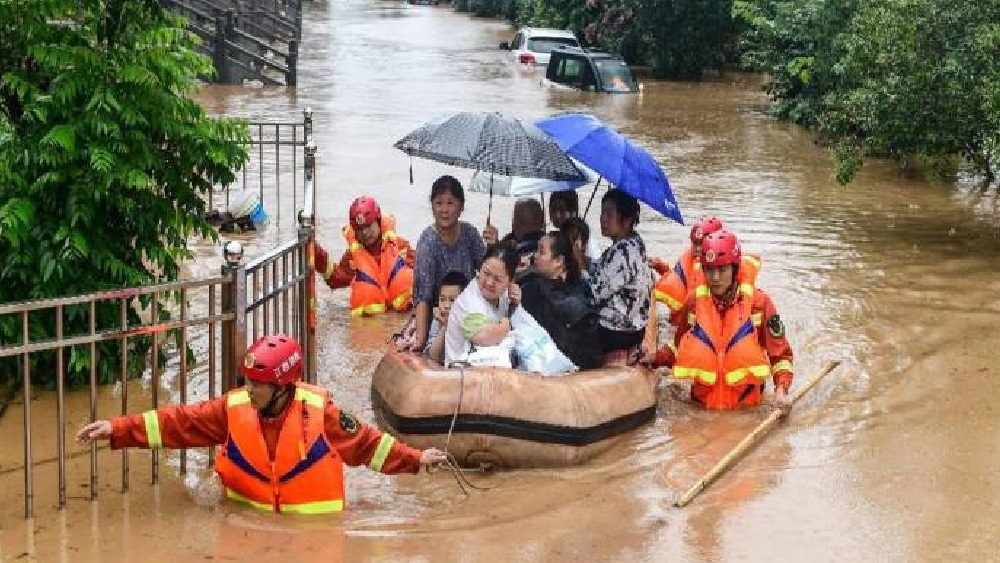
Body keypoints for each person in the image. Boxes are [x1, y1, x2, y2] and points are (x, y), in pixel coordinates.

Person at [74, 335, 447, 514]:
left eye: (257, 383)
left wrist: (415, 459)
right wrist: (118, 428)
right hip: (244, 522)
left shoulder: (322, 413)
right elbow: (180, 423)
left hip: (314, 539)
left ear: (283, 386)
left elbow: (367, 444)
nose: (249, 389)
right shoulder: (233, 409)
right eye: (249, 380)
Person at [666, 231, 794, 412]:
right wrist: (654, 358)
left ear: (735, 269)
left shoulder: (759, 304)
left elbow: (780, 356)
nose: (715, 277)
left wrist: (781, 391)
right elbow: (678, 346)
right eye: (709, 270)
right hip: (701, 409)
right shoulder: (693, 303)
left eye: (722, 269)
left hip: (746, 410)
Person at [403, 175, 487, 353]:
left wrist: (494, 245)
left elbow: (488, 272)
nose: (444, 210)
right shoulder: (428, 242)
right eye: (438, 203)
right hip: (438, 313)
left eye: (450, 203)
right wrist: (420, 340)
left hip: (467, 310)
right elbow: (423, 295)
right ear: (432, 206)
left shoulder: (470, 234)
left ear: (461, 206)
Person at [649, 215, 760, 325]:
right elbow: (681, 282)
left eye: (700, 244)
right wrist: (661, 267)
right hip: (686, 320)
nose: (697, 249)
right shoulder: (689, 261)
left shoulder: (734, 270)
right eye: (694, 243)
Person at [314, 196, 415, 317]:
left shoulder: (400, 246)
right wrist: (316, 252)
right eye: (359, 229)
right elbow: (335, 279)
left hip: (403, 317)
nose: (365, 233)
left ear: (378, 221)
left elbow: (424, 275)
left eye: (368, 226)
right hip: (374, 323)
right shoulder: (352, 257)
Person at [519, 230, 604, 369]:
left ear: (558, 261)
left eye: (541, 252)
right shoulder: (582, 289)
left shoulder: (532, 290)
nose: (535, 256)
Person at [589, 189, 653, 365]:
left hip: (616, 332)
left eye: (609, 214)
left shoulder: (622, 251)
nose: (602, 219)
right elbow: (602, 270)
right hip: (634, 328)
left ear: (626, 221)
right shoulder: (635, 242)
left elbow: (593, 294)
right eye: (602, 213)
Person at [443, 243, 521, 367]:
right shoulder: (469, 301)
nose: (489, 282)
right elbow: (482, 337)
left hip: (488, 367)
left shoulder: (507, 293)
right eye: (486, 273)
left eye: (498, 279)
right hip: (460, 373)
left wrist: (515, 304)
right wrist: (506, 325)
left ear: (510, 281)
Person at [482, 197, 546, 274]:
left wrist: (493, 247)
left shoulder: (511, 251)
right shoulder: (549, 246)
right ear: (542, 222)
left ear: (514, 223)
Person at [425, 271, 470, 364]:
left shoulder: (470, 319)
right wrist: (444, 328)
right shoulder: (437, 321)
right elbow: (432, 357)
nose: (446, 305)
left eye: (452, 300)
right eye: (442, 299)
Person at [548, 191, 601, 262]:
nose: (557, 215)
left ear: (574, 212)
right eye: (553, 210)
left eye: (562, 210)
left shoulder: (583, 240)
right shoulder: (554, 237)